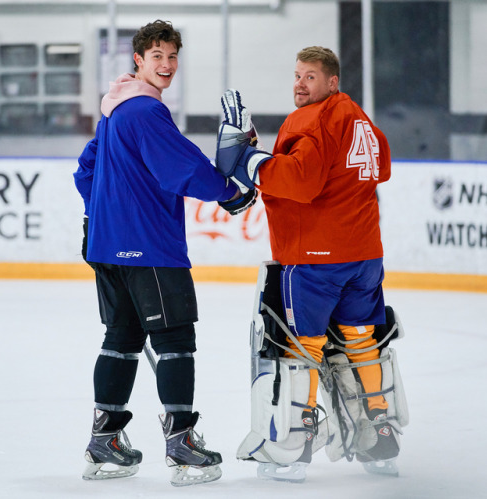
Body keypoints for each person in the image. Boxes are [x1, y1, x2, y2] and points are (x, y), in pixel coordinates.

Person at [73, 19, 254, 486]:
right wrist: (229, 192)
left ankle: (104, 442)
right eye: (157, 57)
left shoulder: (113, 109)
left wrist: (100, 221)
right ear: (138, 60)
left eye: (173, 57)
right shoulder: (145, 112)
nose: (167, 65)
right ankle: (181, 446)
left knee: (121, 339)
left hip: (109, 246)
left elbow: (86, 169)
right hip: (149, 245)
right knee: (175, 340)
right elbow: (179, 166)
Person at [216, 46, 402, 479]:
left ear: (332, 82)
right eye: (297, 75)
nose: (301, 84)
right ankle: (381, 440)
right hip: (363, 256)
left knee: (302, 345)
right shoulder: (359, 118)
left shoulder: (312, 119)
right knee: (361, 341)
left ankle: (291, 450)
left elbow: (300, 182)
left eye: (311, 77)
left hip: (315, 258)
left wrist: (249, 159)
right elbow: (381, 168)